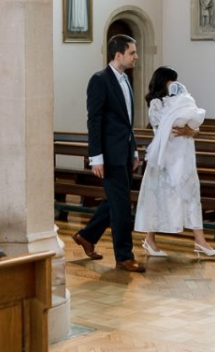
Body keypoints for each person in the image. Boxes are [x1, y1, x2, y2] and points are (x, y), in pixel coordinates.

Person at [72, 34, 145, 272]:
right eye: (132, 52)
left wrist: (133, 150)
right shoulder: (99, 80)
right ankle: (124, 256)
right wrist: (96, 157)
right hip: (109, 155)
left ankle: (87, 236)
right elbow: (94, 121)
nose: (136, 56)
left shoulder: (125, 80)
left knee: (117, 200)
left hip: (124, 152)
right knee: (122, 205)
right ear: (118, 55)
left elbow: (126, 123)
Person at [134, 66, 215, 258]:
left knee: (191, 195)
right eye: (170, 81)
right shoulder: (156, 104)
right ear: (163, 81)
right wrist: (184, 116)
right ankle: (150, 240)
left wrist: (193, 130)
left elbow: (192, 123)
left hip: (184, 154)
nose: (173, 85)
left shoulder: (180, 99)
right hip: (165, 157)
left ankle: (201, 242)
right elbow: (168, 123)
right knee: (157, 196)